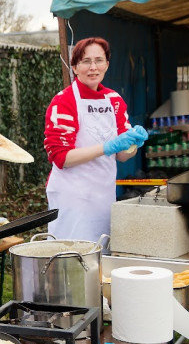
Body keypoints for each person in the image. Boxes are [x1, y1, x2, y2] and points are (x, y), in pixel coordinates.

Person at [44, 36, 148, 242]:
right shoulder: (63, 101)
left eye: (99, 60)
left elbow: (122, 156)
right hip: (72, 196)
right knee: (72, 256)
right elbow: (61, 157)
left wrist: (133, 143)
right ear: (74, 67)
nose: (93, 67)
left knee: (101, 253)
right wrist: (107, 146)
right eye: (85, 61)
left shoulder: (114, 100)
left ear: (107, 65)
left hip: (104, 194)